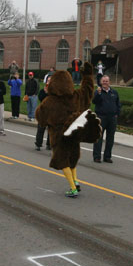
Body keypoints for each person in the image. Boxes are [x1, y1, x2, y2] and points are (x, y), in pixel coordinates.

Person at [36, 62, 101, 197]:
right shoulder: (76, 97)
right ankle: (75, 181)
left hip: (59, 137)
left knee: (61, 160)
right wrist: (88, 75)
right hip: (73, 134)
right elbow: (88, 91)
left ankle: (73, 188)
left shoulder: (49, 102)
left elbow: (40, 118)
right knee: (72, 158)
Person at [92, 75, 121, 164]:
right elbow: (94, 101)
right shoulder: (98, 92)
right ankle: (97, 157)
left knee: (110, 138)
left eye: (107, 81)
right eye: (103, 81)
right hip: (101, 117)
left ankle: (107, 157)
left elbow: (118, 104)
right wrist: (99, 93)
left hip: (112, 118)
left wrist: (117, 114)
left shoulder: (114, 92)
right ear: (101, 82)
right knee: (99, 137)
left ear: (109, 82)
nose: (105, 83)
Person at [34, 82, 51, 151]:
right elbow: (41, 98)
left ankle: (49, 144)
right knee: (41, 129)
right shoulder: (42, 91)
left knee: (50, 130)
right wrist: (45, 92)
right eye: (48, 81)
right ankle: (38, 144)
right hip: (43, 113)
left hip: (51, 113)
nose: (48, 83)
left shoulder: (54, 92)